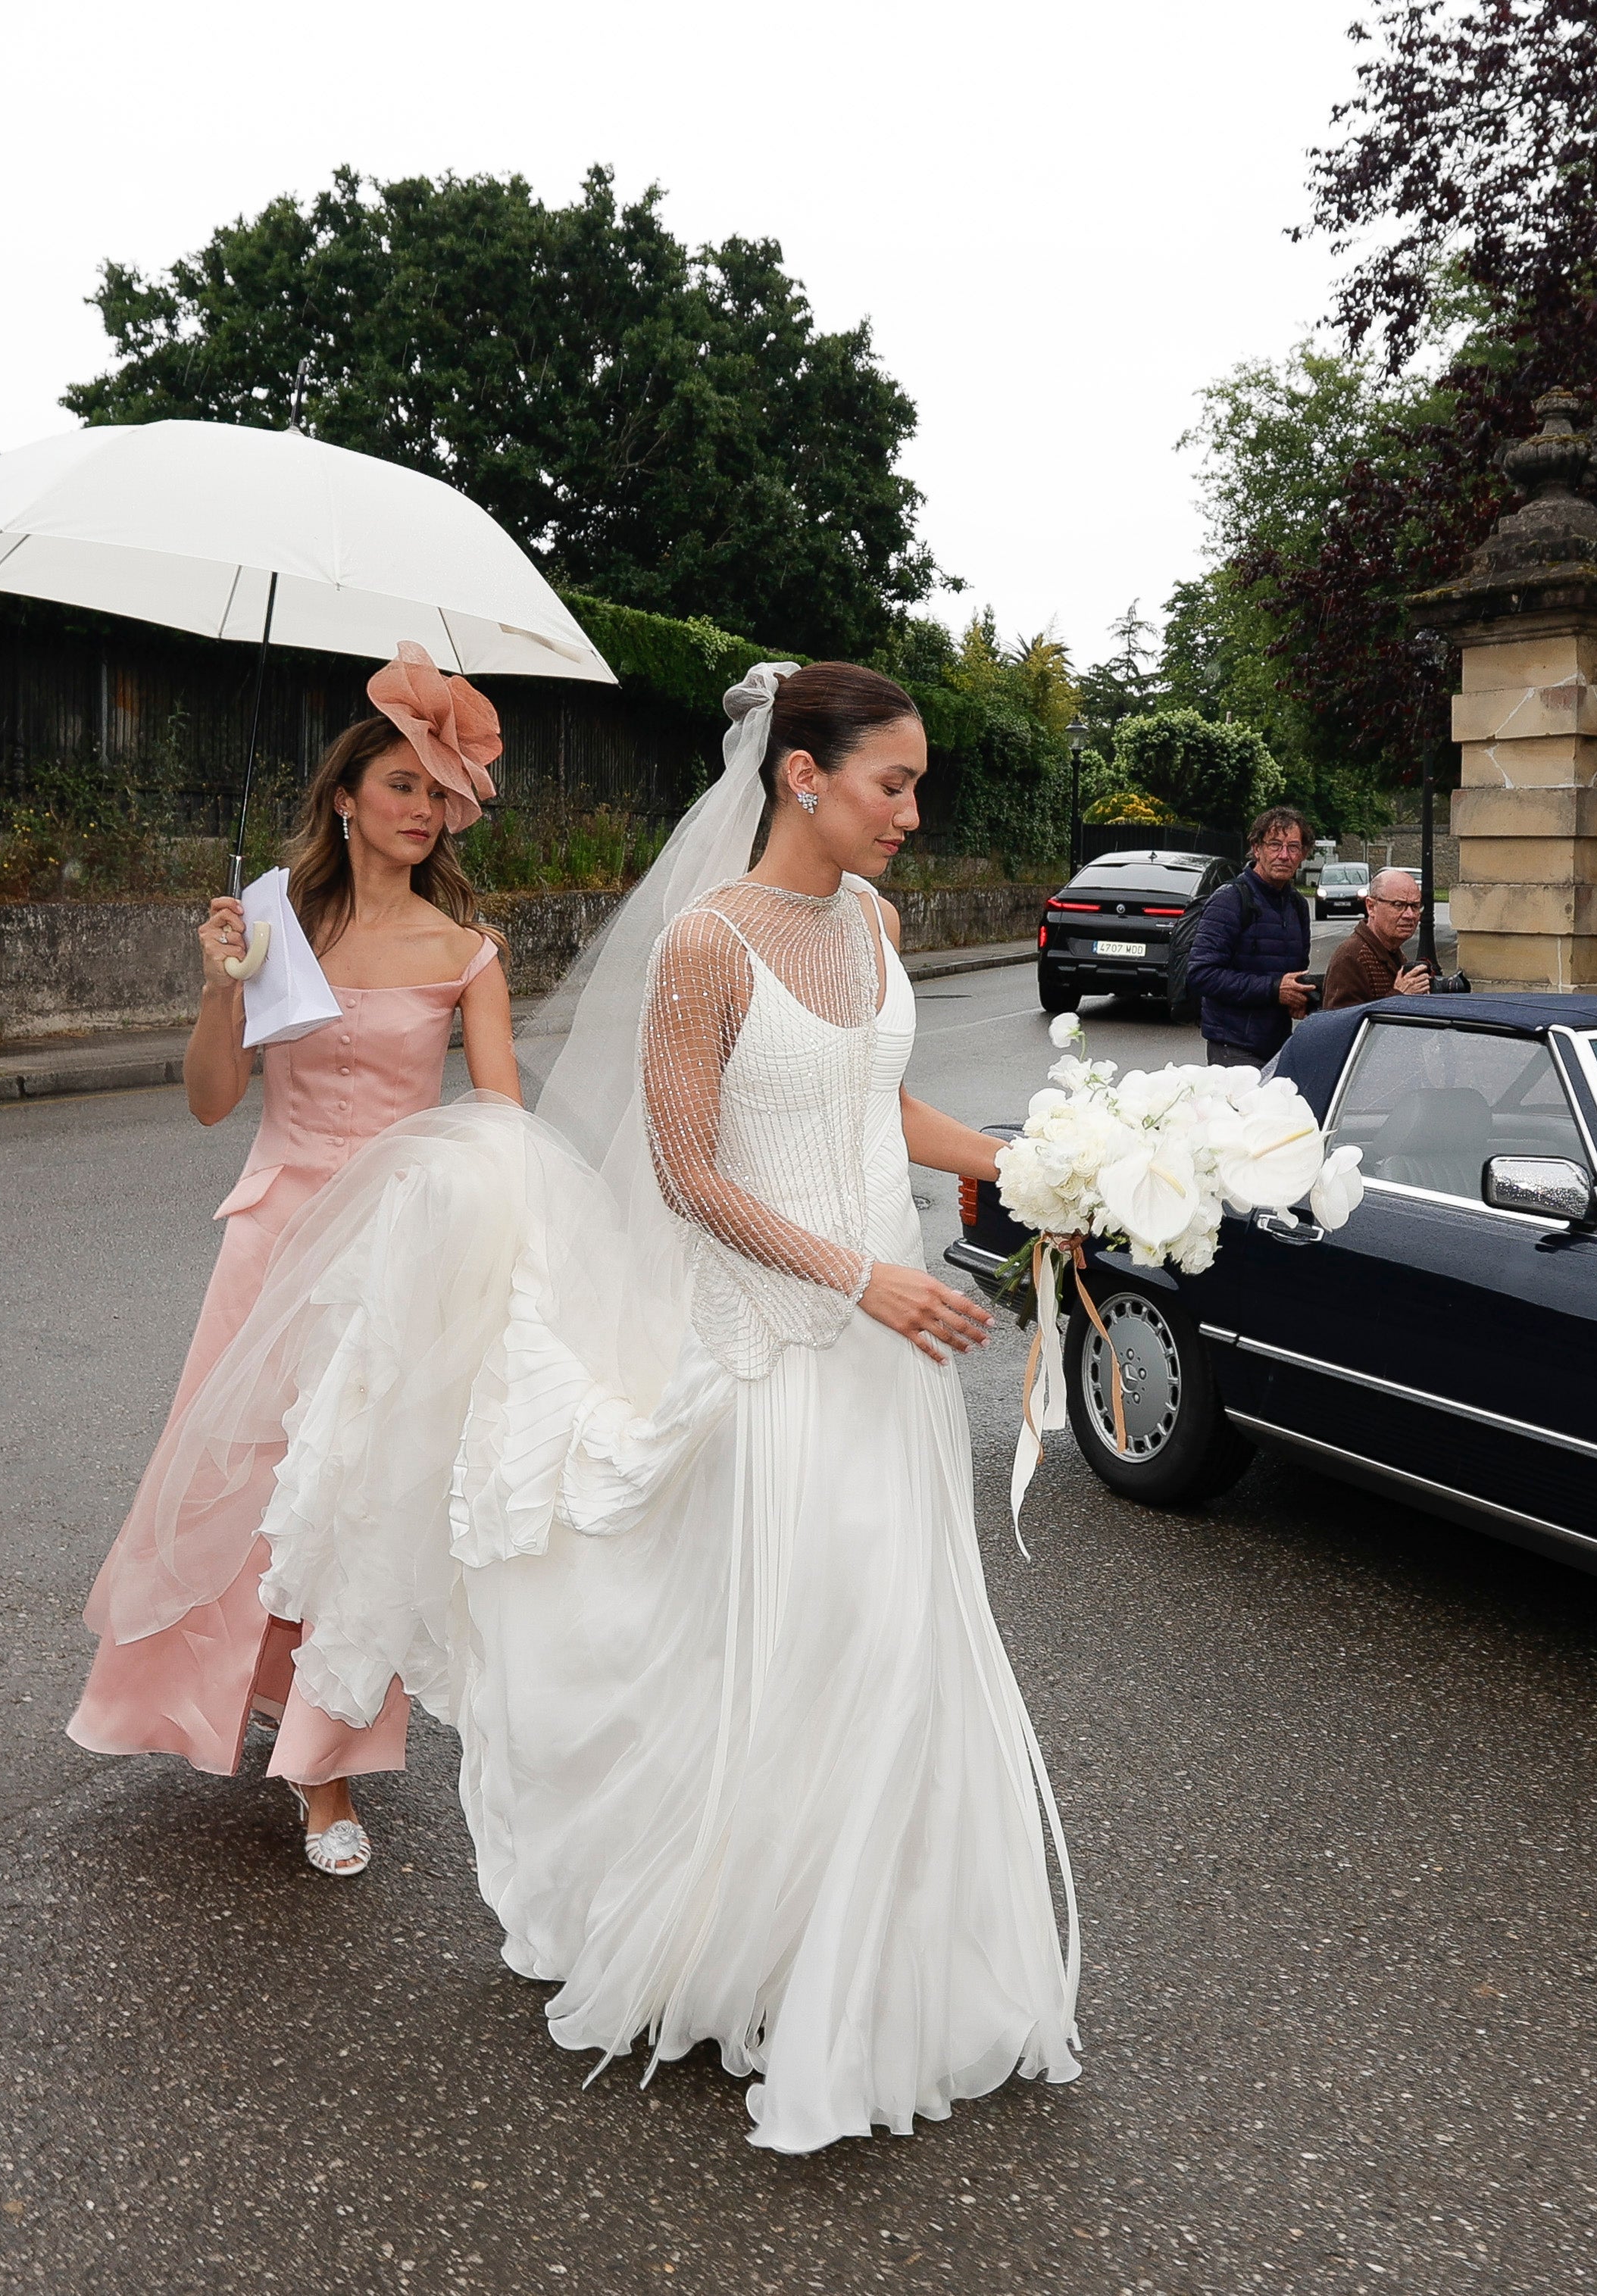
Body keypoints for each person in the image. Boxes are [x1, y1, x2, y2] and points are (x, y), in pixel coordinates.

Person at [125, 661, 1078, 2153]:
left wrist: (1041, 1167)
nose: (913, 810)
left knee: (893, 1636)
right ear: (802, 775)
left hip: (851, 1331)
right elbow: (690, 1173)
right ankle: (272, 1729)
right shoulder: (691, 945)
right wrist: (219, 979)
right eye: (893, 780)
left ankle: (871, 1948)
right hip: (674, 1311)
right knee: (314, 1497)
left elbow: (863, 1112)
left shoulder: (866, 928)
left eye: (916, 783)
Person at [68, 645, 516, 1878]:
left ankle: (324, 1773)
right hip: (272, 1234)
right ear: (346, 798)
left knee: (360, 1502)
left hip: (393, 1254)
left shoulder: (466, 951)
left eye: (439, 795)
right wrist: (222, 989)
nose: (424, 812)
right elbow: (215, 1100)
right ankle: (217, 1697)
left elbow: (501, 1121)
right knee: (238, 1484)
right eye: (401, 789)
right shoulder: (275, 923)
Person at [1186, 806, 1317, 1067]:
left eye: (1293, 847)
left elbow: (1294, 971)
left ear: (1303, 854)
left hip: (1278, 1044)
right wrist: (1274, 989)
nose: (1284, 855)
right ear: (1257, 849)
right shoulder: (1230, 900)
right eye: (1274, 845)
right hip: (1232, 1046)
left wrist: (1299, 997)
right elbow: (1201, 974)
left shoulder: (1298, 905)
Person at [1318, 865, 1434, 1008]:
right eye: (1398, 905)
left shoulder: (1391, 951)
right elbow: (1341, 1024)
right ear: (1371, 907)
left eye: (1415, 906)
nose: (1409, 915)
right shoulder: (1351, 957)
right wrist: (1399, 996)